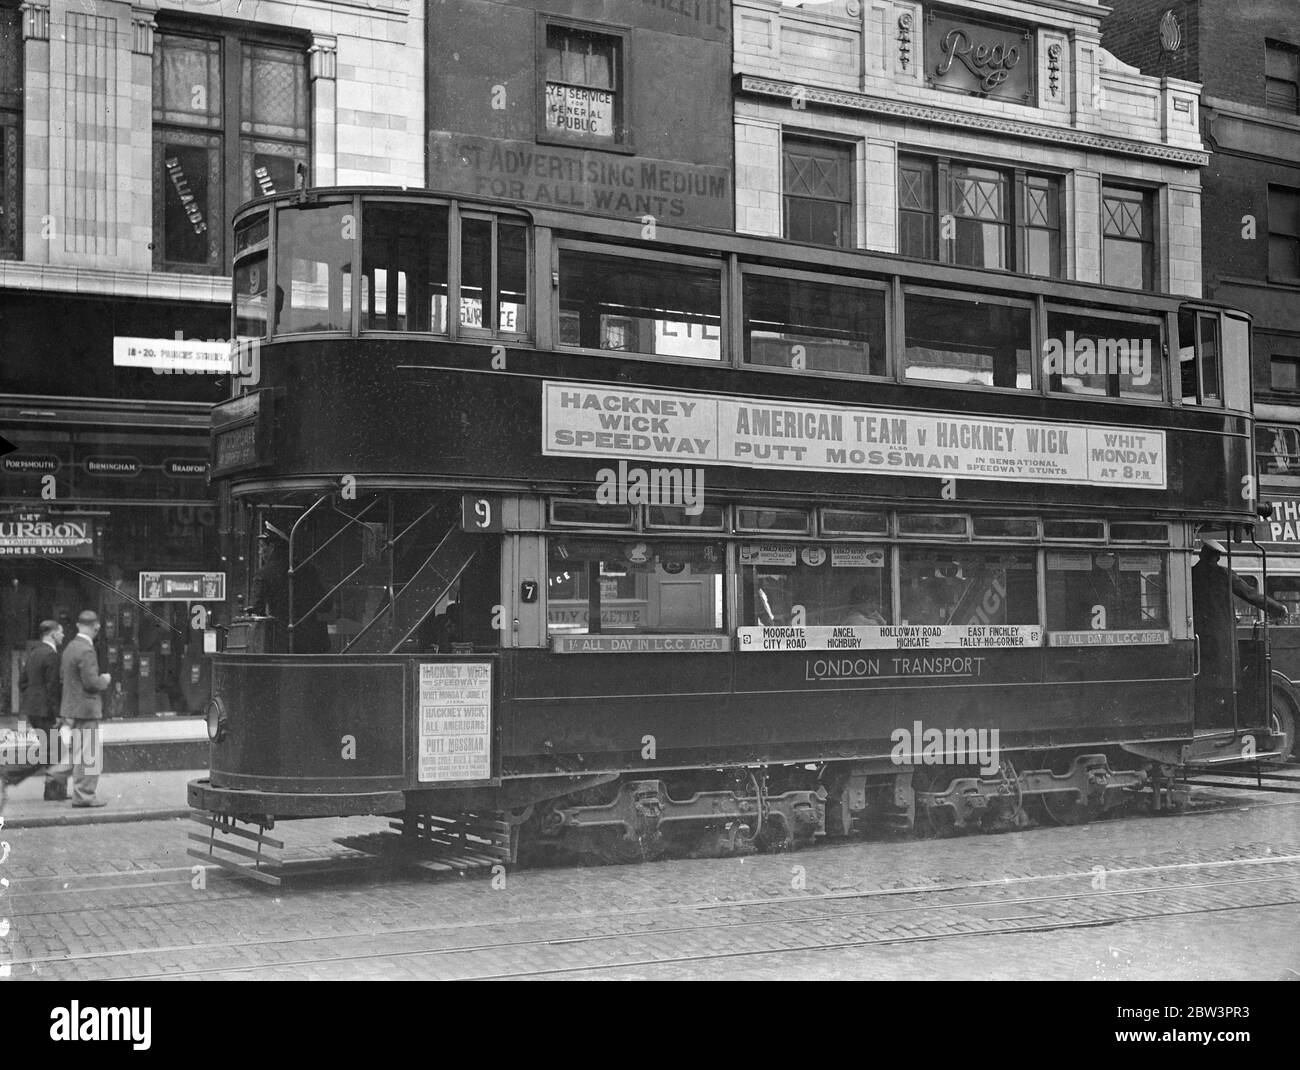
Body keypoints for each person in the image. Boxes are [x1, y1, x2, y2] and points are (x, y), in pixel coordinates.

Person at [48, 610, 112, 808]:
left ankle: (55, 773)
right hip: (86, 710)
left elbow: (62, 678)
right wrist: (105, 680)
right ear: (96, 627)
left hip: (71, 709)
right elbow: (91, 682)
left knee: (77, 752)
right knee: (88, 755)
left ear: (77, 625)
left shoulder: (69, 648)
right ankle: (84, 795)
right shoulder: (86, 650)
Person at [250, 522, 330, 653]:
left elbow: (256, 610)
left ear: (272, 547)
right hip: (314, 642)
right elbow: (327, 605)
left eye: (261, 547)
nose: (260, 552)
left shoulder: (264, 574)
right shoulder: (309, 569)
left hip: (282, 643)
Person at [18, 620, 66, 800]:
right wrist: (56, 714)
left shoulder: (33, 653)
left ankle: (52, 791)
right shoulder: (51, 655)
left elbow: (22, 683)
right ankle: (53, 792)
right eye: (60, 632)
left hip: (34, 710)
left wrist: (33, 699)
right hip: (46, 712)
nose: (63, 635)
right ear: (52, 634)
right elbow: (53, 688)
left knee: (51, 749)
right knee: (56, 751)